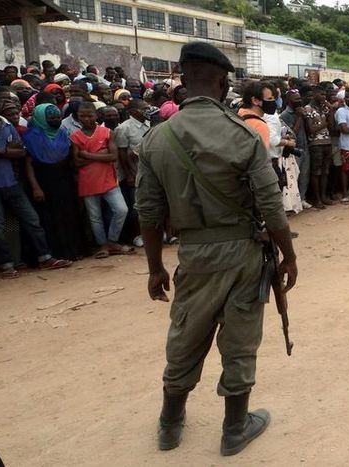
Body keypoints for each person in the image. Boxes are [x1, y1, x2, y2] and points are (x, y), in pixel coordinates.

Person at [136, 41, 297, 456]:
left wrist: (154, 268)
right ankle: (234, 428)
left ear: (181, 78)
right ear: (224, 82)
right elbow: (271, 206)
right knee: (240, 338)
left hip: (193, 253)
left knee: (186, 334)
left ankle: (170, 424)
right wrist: (289, 255)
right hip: (243, 251)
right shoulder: (243, 134)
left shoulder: (157, 138)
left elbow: (149, 215)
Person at [0, 89, 72, 277]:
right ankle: (6, 265)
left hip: (11, 182)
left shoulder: (6, 124)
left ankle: (45, 257)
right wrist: (6, 151)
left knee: (31, 220)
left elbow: (20, 152)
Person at [23, 104, 85, 260]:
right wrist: (36, 187)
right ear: (41, 119)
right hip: (44, 182)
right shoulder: (32, 137)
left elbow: (70, 158)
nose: (56, 120)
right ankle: (57, 253)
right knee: (50, 218)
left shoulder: (63, 133)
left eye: (58, 117)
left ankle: (74, 251)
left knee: (69, 215)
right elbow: (29, 164)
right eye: (52, 118)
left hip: (65, 180)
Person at [70, 101, 130, 257]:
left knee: (121, 210)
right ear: (78, 117)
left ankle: (111, 241)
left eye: (90, 115)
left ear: (96, 115)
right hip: (88, 181)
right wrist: (102, 154)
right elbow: (76, 162)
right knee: (94, 216)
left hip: (108, 179)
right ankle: (103, 244)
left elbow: (113, 156)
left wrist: (87, 154)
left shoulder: (107, 132)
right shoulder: (75, 136)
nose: (86, 119)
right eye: (82, 116)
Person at [114, 99, 150, 246]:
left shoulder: (149, 124)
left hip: (149, 171)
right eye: (144, 108)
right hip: (133, 172)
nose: (147, 111)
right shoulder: (124, 128)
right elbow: (122, 154)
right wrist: (129, 174)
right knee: (135, 206)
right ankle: (136, 235)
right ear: (133, 111)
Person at [280, 91, 311, 209]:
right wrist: (298, 117)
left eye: (299, 98)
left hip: (305, 147)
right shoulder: (285, 115)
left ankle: (302, 199)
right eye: (295, 99)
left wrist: (304, 116)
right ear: (289, 101)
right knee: (293, 177)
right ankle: (292, 203)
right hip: (294, 150)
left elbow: (308, 129)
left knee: (304, 175)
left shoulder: (302, 111)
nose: (298, 101)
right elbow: (292, 133)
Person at [304, 87, 334, 209]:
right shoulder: (308, 108)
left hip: (327, 142)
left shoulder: (325, 108)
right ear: (315, 94)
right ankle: (317, 199)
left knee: (325, 171)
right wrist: (324, 123)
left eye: (324, 94)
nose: (324, 96)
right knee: (316, 172)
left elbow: (331, 125)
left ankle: (323, 196)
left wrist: (331, 110)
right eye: (321, 94)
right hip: (316, 144)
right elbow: (311, 130)